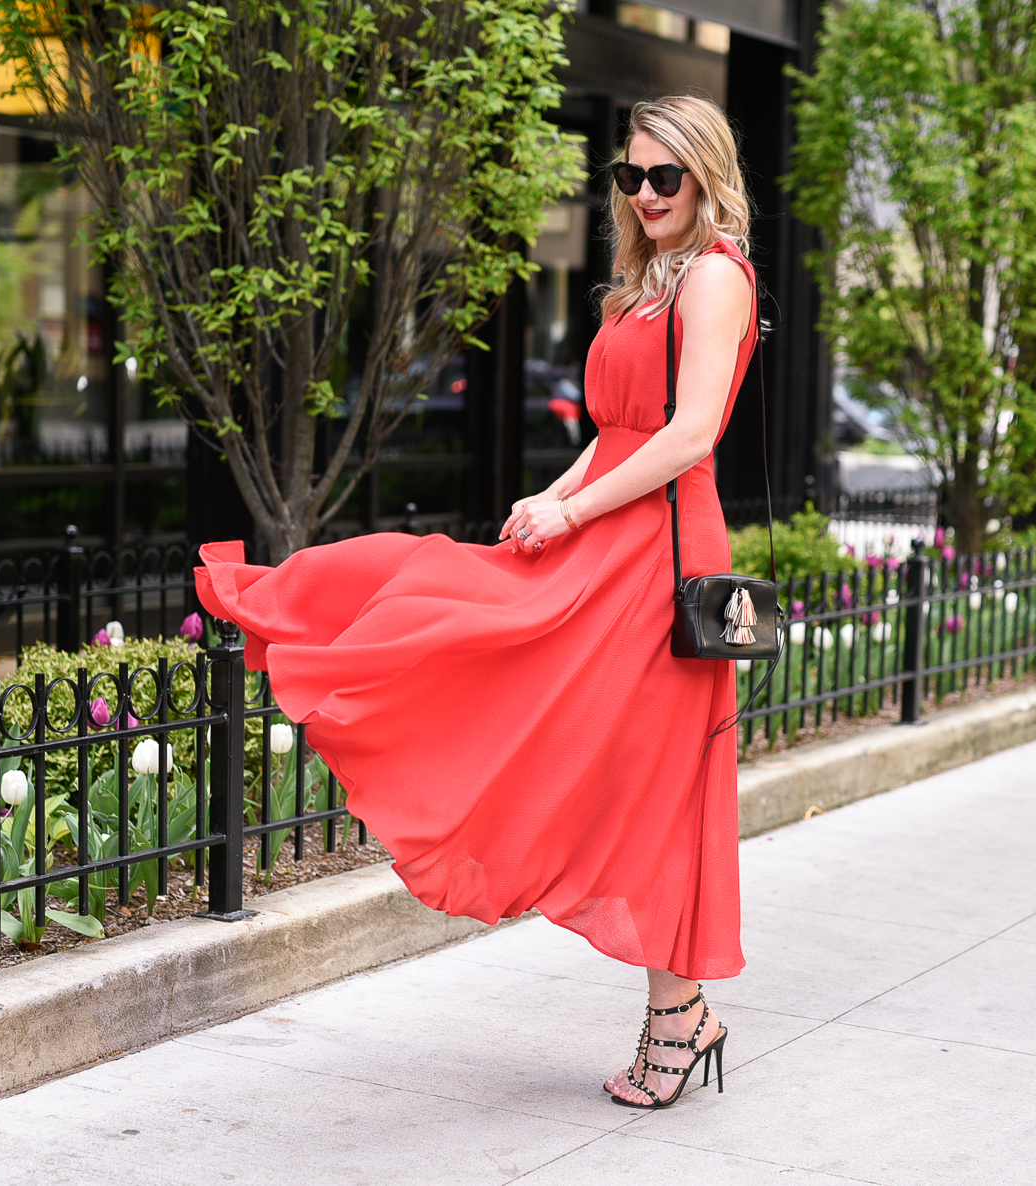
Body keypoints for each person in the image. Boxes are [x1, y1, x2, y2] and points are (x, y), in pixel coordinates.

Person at [195, 93, 757, 1111]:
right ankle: (291, 605)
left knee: (655, 779)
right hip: (608, 530)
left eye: (662, 177)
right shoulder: (641, 287)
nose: (642, 194)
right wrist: (553, 492)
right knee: (455, 607)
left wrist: (574, 512)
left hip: (659, 552)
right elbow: (624, 425)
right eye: (628, 176)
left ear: (707, 177)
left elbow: (688, 436)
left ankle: (680, 1016)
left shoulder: (715, 277)